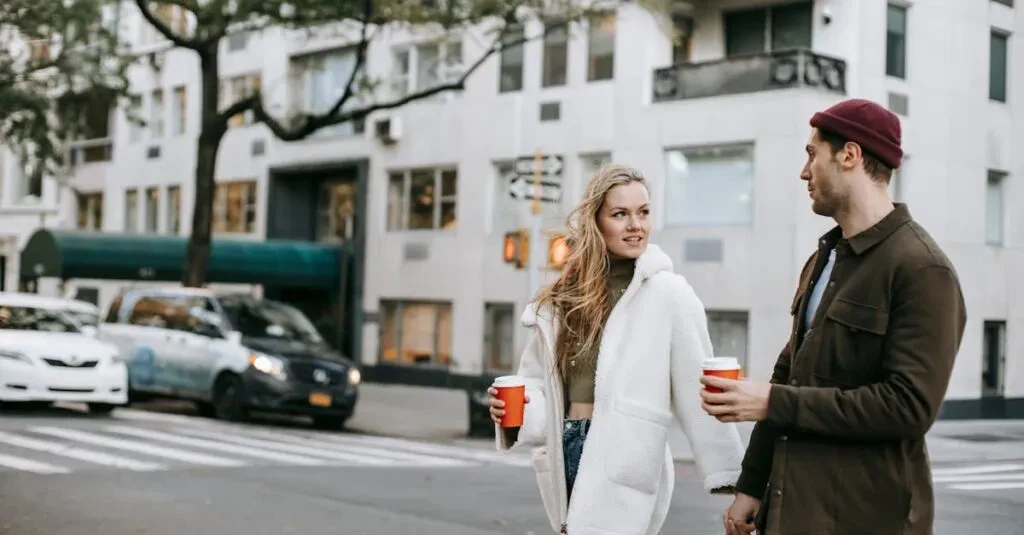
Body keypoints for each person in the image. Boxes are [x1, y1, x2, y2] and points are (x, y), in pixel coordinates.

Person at [699, 98, 967, 535]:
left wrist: (770, 401)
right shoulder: (823, 260)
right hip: (794, 515)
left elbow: (909, 407)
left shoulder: (922, 269)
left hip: (868, 519)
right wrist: (751, 485)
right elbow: (789, 376)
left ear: (849, 155)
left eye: (811, 154)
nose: (804, 172)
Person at [488, 164, 745, 534]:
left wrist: (734, 477)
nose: (635, 225)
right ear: (596, 221)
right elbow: (538, 386)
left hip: (626, 455)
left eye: (643, 212)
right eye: (620, 214)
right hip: (567, 446)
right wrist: (516, 412)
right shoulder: (565, 299)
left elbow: (700, 390)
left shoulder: (669, 295)